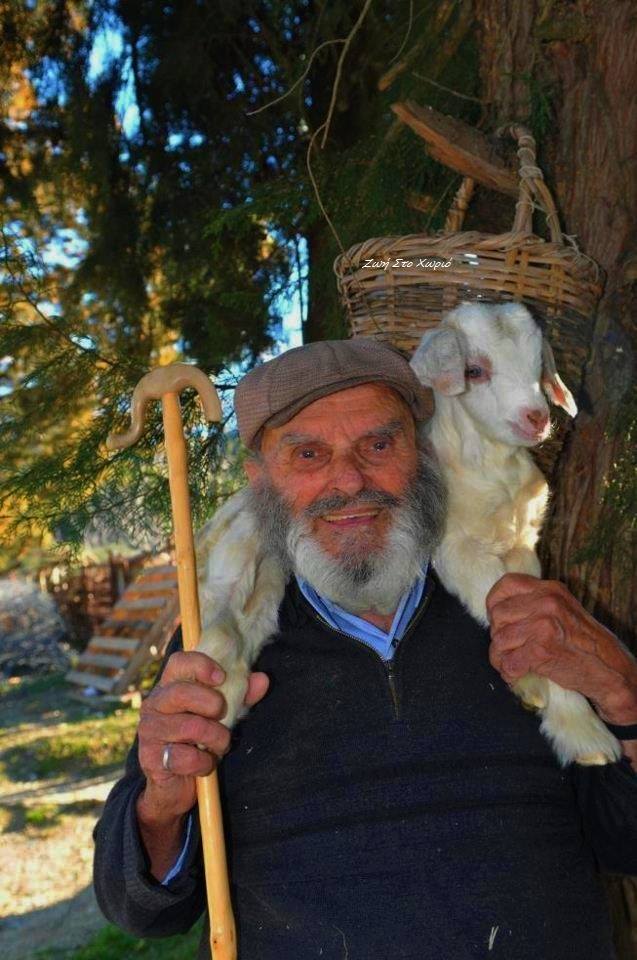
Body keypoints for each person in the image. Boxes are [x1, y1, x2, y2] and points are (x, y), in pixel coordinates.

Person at [93, 338, 637, 960]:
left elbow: (625, 841)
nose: (349, 481)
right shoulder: (222, 646)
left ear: (423, 456)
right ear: (259, 480)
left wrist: (623, 691)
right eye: (308, 454)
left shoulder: (522, 614)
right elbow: (140, 907)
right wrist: (163, 803)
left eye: (379, 446)